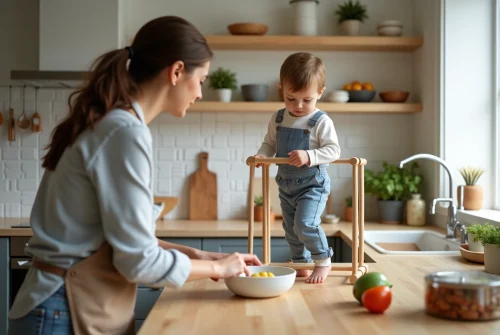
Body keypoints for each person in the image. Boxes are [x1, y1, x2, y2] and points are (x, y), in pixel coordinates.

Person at [8, 16, 261, 335]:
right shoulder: (125, 133)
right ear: (177, 71)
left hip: (58, 306)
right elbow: (139, 262)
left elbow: (120, 242)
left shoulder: (110, 122)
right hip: (63, 310)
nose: (199, 93)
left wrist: (196, 254)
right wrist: (217, 268)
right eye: (202, 80)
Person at [255, 52, 341, 284]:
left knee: (305, 225)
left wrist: (310, 155)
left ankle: (323, 261)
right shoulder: (279, 118)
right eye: (291, 98)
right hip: (286, 185)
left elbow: (334, 151)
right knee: (291, 230)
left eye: (307, 100)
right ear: (281, 88)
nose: (299, 106)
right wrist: (263, 154)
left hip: (313, 185)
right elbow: (270, 143)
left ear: (320, 93)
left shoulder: (321, 121)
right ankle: (301, 263)